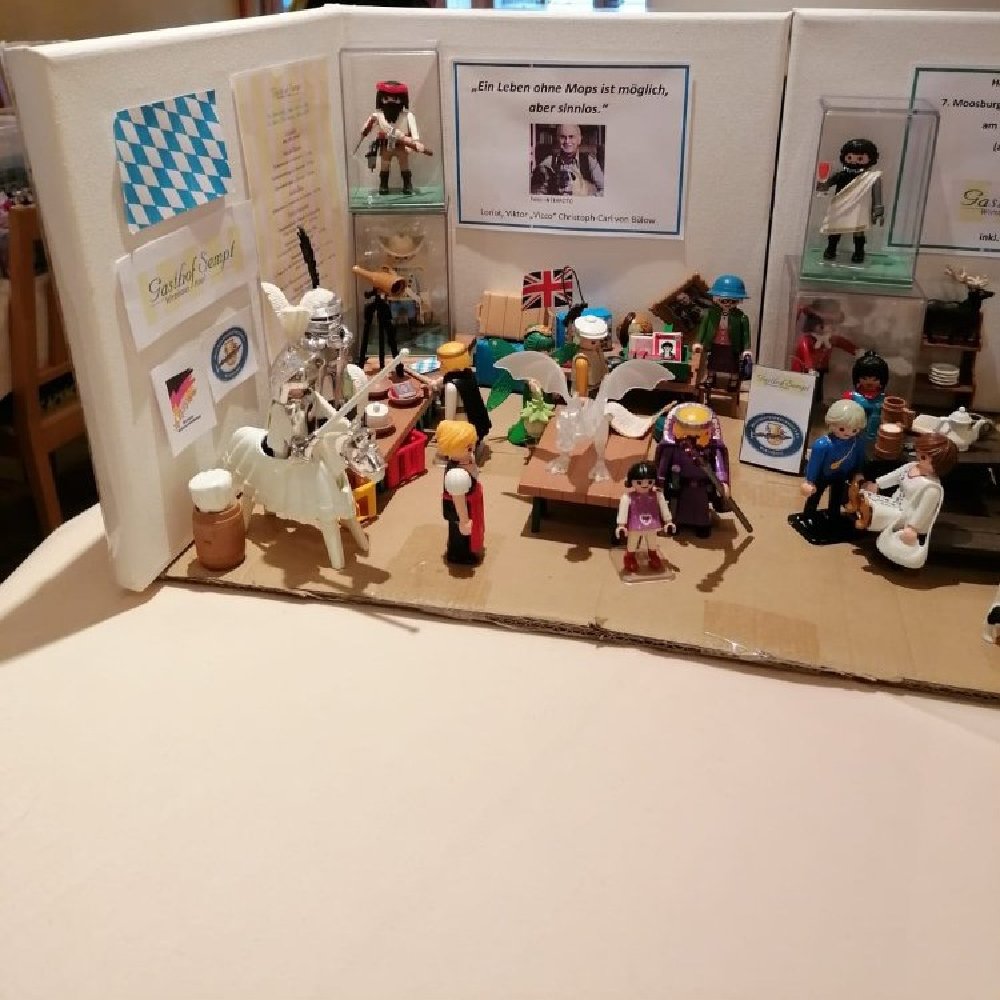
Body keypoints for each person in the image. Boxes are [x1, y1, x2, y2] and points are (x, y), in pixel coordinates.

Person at [854, 432, 958, 570]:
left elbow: (924, 510)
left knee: (877, 512)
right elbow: (895, 476)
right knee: (868, 498)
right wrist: (878, 484)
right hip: (896, 502)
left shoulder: (931, 488)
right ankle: (862, 516)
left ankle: (866, 522)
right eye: (919, 453)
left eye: (923, 457)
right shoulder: (911, 466)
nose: (918, 457)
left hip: (908, 514)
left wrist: (913, 527)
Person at [789, 399, 866, 542]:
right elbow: (814, 464)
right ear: (832, 424)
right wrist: (810, 481)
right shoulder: (823, 445)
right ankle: (808, 515)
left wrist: (858, 473)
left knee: (837, 497)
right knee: (814, 496)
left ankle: (834, 515)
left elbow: (860, 459)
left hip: (841, 475)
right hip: (822, 476)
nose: (848, 433)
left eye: (854, 430)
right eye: (842, 429)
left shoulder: (857, 443)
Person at [654, 402, 730, 538]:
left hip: (701, 486)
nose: (691, 440)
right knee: (678, 506)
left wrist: (723, 481)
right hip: (679, 485)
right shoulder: (673, 447)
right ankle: (677, 522)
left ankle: (702, 525)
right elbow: (663, 465)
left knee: (701, 507)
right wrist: (659, 481)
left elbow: (719, 463)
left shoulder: (711, 449)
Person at [816, 138, 883, 264]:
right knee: (836, 228)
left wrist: (878, 208)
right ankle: (831, 248)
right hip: (840, 206)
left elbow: (877, 195)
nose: (854, 161)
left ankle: (859, 251)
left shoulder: (871, 177)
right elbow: (826, 185)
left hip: (860, 207)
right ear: (845, 157)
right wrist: (822, 184)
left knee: (858, 231)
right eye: (850, 157)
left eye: (860, 158)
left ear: (870, 158)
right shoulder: (841, 175)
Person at [437, 420, 485, 566]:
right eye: (469, 447)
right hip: (459, 508)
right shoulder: (456, 475)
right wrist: (464, 520)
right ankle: (458, 555)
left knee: (462, 532)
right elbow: (459, 499)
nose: (472, 449)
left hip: (466, 502)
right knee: (459, 534)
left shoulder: (465, 460)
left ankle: (462, 551)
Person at [616, 461, 675, 574]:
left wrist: (668, 521)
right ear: (631, 481)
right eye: (639, 482)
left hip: (652, 524)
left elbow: (664, 507)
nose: (645, 484)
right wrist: (621, 525)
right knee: (632, 543)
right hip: (634, 525)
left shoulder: (657, 495)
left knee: (652, 542)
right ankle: (629, 557)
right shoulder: (627, 497)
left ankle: (653, 555)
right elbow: (623, 511)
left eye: (649, 481)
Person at [697, 274, 752, 395]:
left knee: (733, 364)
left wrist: (747, 349)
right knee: (712, 362)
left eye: (732, 301)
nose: (727, 303)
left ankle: (733, 381)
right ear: (717, 299)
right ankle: (710, 379)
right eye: (724, 301)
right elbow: (703, 328)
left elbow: (745, 333)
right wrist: (699, 342)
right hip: (715, 343)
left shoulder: (741, 317)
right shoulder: (711, 314)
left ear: (738, 301)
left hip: (732, 345)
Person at [531, 124, 604, 197]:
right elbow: (537, 194)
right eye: (562, 137)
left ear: (579, 140)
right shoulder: (548, 163)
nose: (567, 141)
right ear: (557, 139)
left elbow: (604, 191)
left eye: (571, 137)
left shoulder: (589, 161)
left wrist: (584, 196)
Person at [842, 350, 889, 442]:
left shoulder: (886, 399)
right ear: (857, 378)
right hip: (854, 437)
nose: (869, 382)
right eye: (864, 378)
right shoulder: (850, 397)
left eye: (875, 379)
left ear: (882, 380)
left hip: (879, 439)